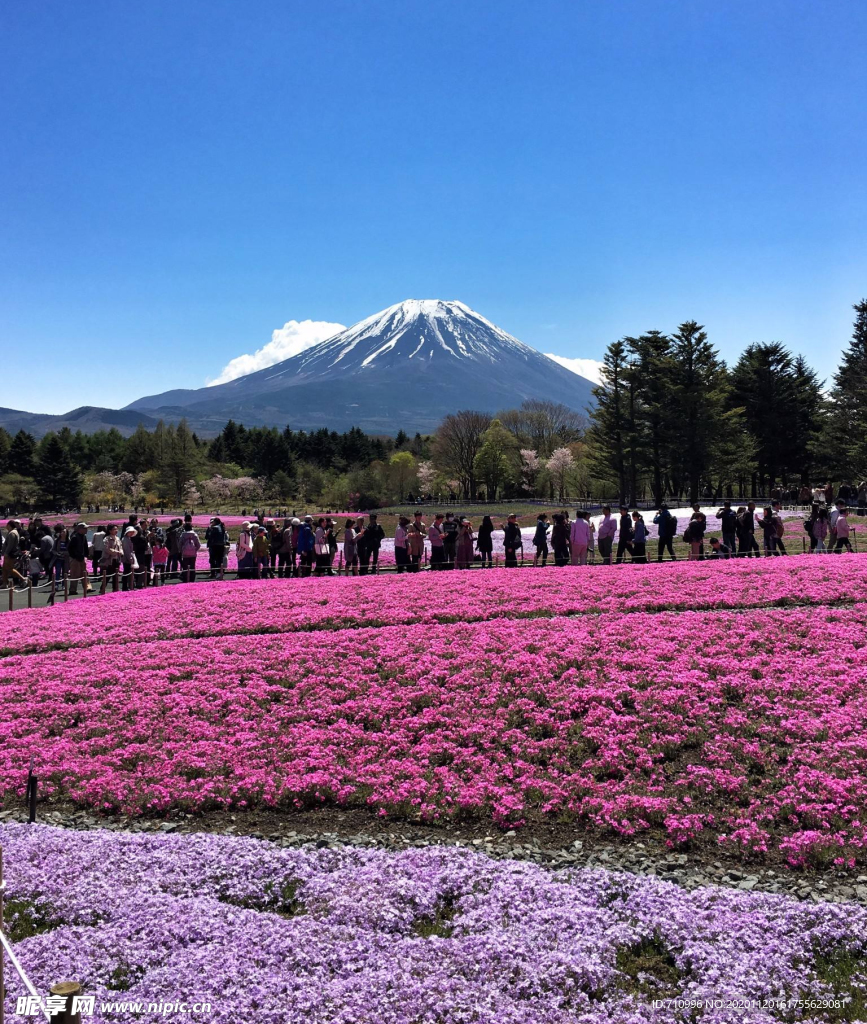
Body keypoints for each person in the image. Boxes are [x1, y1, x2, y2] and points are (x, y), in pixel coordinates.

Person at [67, 522, 92, 595]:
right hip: (75, 559)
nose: (86, 530)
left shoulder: (83, 537)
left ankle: (87, 587)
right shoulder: (74, 537)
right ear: (80, 529)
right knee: (74, 574)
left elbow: (85, 548)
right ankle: (72, 589)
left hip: (82, 558)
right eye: (85, 528)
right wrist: (74, 557)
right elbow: (70, 548)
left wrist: (86, 556)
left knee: (84, 573)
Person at [1, 519, 26, 589]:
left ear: (9, 525)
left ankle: (23, 579)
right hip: (9, 553)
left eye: (7, 525)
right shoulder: (13, 532)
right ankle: (5, 583)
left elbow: (10, 545)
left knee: (9, 569)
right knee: (4, 569)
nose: (6, 527)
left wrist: (6, 553)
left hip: (10, 554)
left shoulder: (12, 533)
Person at [99, 524, 123, 594]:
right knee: (108, 575)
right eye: (114, 529)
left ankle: (115, 589)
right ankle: (102, 589)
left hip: (116, 559)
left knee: (116, 575)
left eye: (116, 529)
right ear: (110, 531)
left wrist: (121, 552)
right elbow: (107, 549)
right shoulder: (107, 539)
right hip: (109, 559)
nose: (116, 531)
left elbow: (120, 547)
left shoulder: (118, 538)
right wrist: (116, 552)